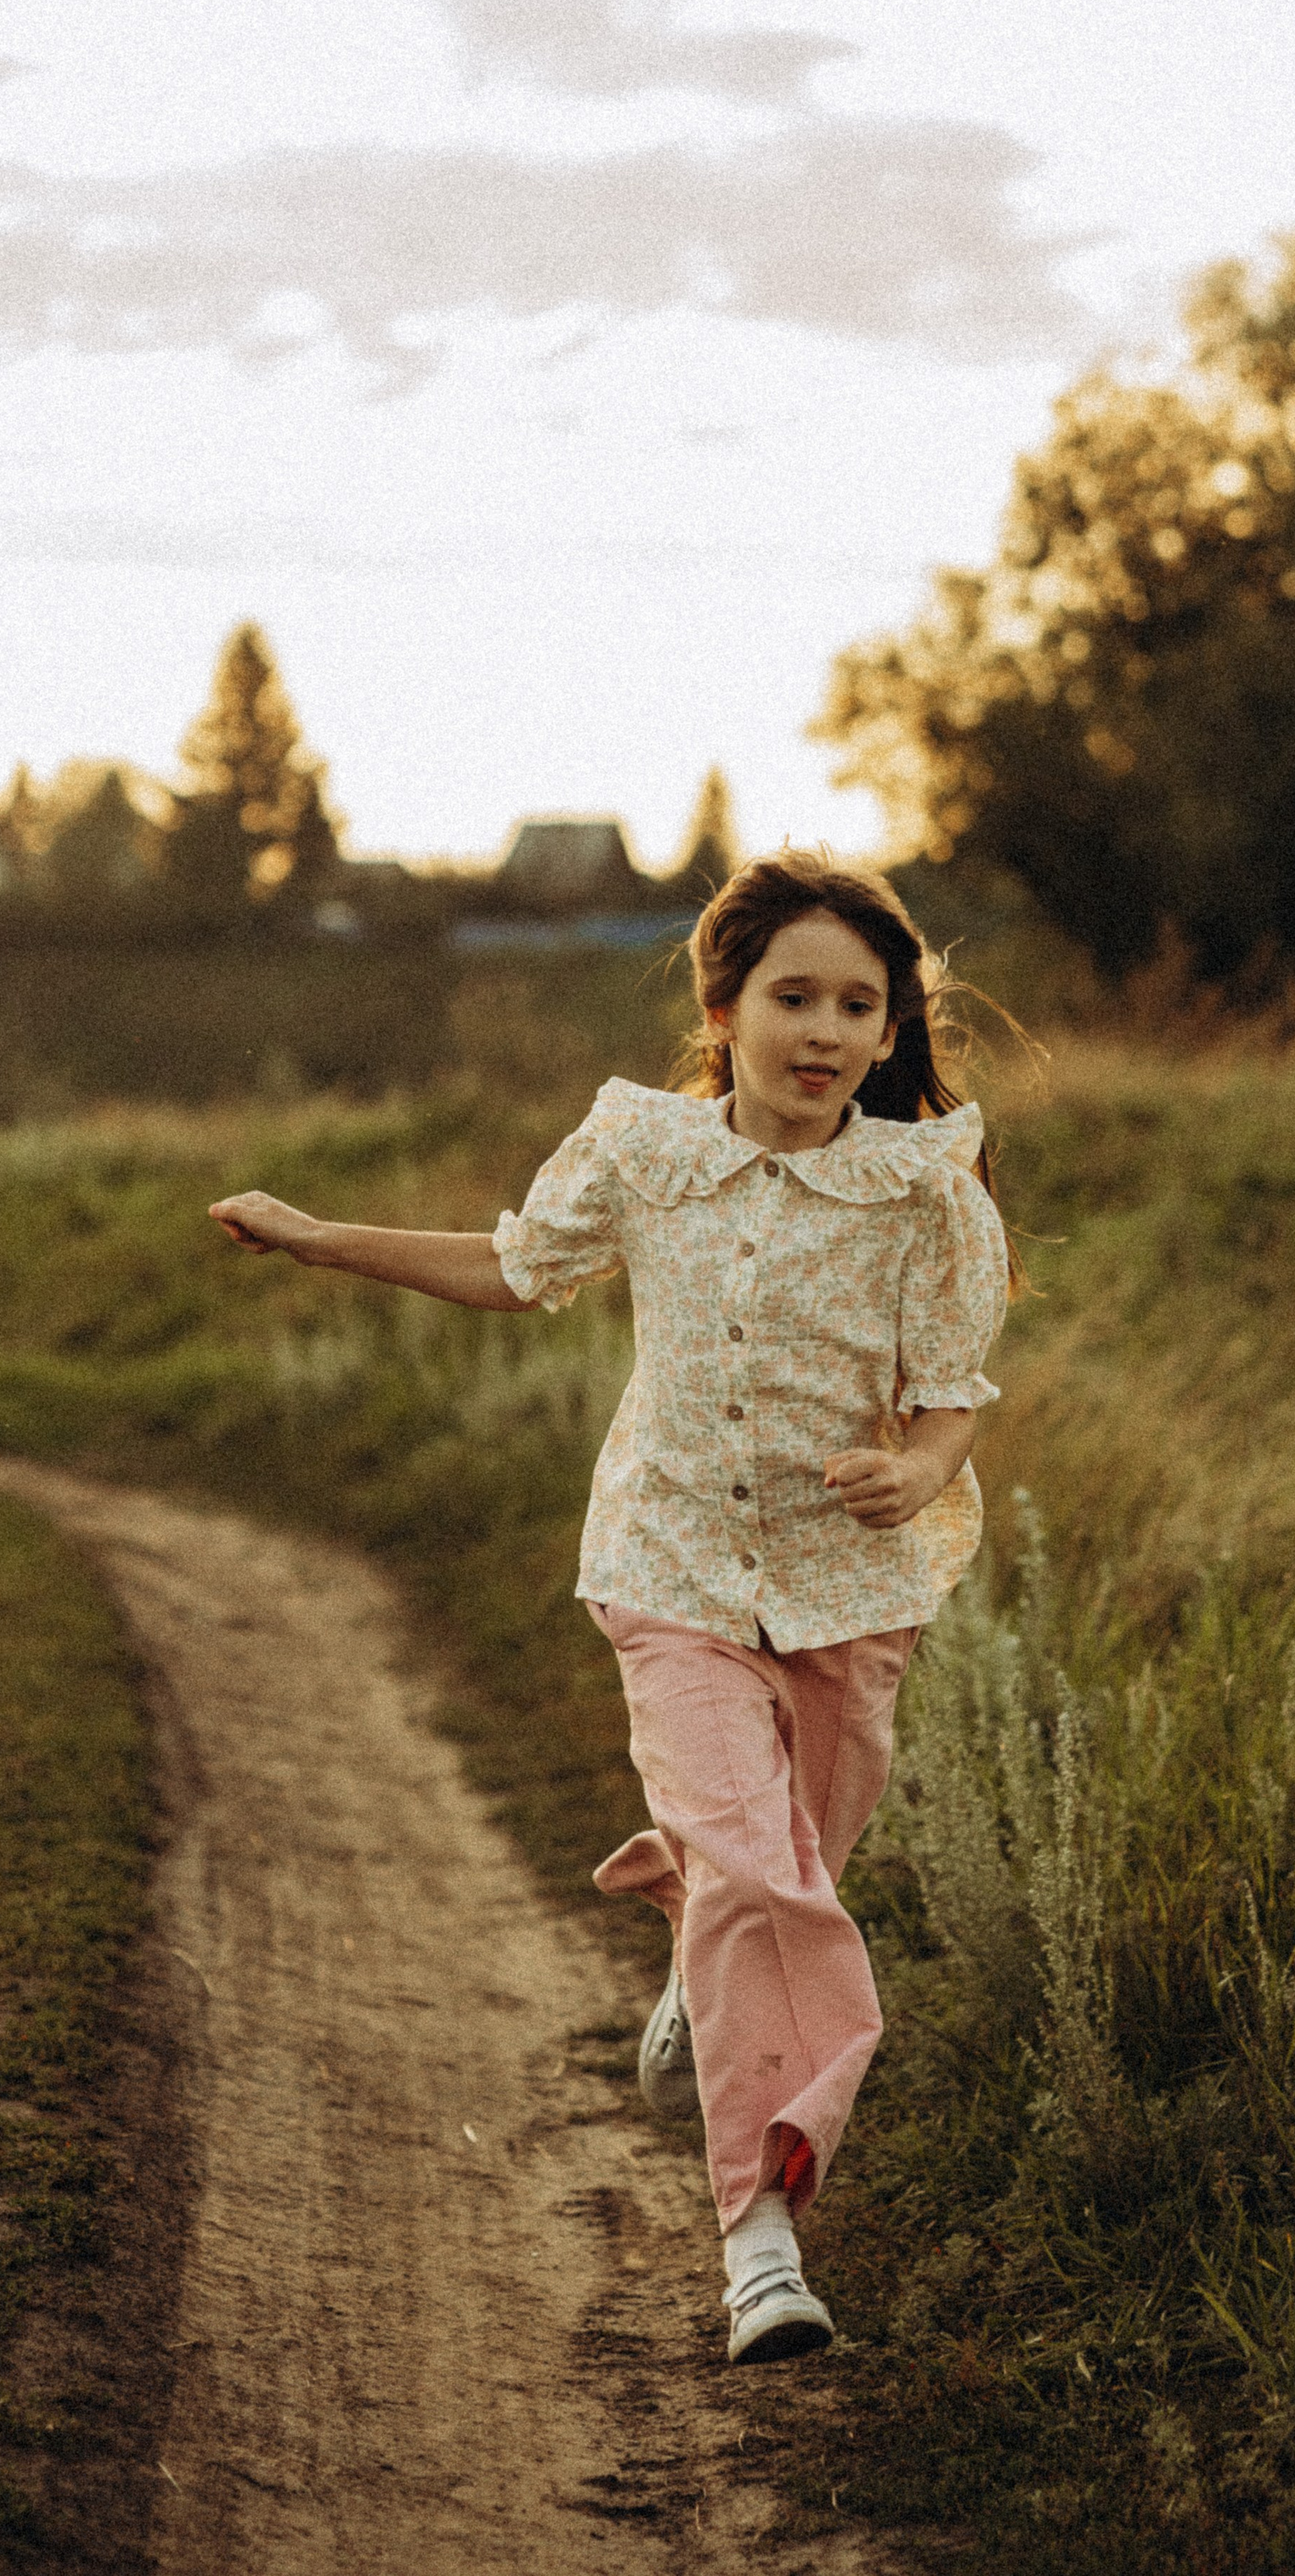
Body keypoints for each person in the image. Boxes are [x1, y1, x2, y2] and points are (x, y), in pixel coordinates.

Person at [208, 850, 1019, 2368]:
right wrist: (320, 1237)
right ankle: (759, 2237)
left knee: (789, 1883)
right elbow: (516, 1272)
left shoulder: (924, 1191)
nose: (826, 1029)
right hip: (667, 1575)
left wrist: (911, 1474)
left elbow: (952, 1398)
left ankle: (691, 1952)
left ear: (892, 1029)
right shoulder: (642, 1156)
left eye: (861, 1003)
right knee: (768, 1893)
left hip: (850, 1599)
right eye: (794, 995)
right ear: (723, 1005)